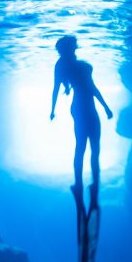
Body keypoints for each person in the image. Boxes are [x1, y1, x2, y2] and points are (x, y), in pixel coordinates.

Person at [50, 35, 113, 196]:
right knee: (89, 147)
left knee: (85, 147)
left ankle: (83, 184)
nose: (76, 48)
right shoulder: (76, 67)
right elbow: (91, 88)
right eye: (74, 46)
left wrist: (53, 109)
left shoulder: (67, 66)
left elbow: (61, 87)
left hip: (81, 107)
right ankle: (89, 183)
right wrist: (105, 107)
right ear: (70, 48)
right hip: (84, 107)